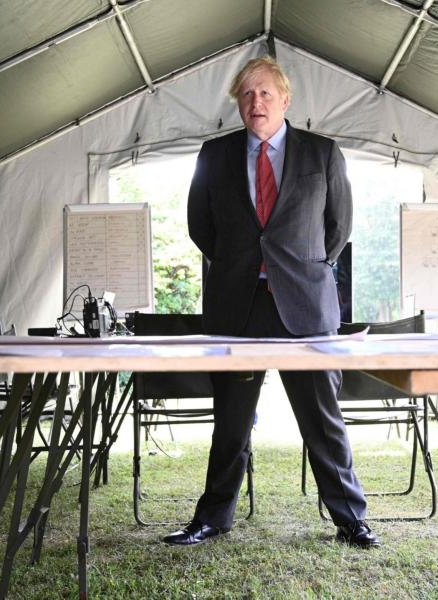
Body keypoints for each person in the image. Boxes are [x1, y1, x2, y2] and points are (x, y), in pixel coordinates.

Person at [165, 56, 379, 548]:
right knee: (231, 422)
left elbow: (338, 228)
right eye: (245, 94)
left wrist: (298, 268)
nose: (254, 102)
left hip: (304, 309)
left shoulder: (322, 153)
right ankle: (212, 518)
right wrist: (242, 263)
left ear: (285, 100)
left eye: (264, 93)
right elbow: (202, 227)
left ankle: (352, 520)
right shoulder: (213, 155)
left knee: (323, 420)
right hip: (238, 307)